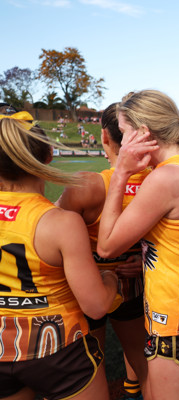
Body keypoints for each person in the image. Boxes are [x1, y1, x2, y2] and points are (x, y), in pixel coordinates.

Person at [96, 89, 179, 400]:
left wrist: (121, 174)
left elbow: (106, 247)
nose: (121, 138)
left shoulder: (166, 178)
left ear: (143, 132)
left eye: (124, 130)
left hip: (176, 313)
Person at [0, 114, 118, 399]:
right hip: (58, 349)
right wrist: (110, 276)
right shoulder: (60, 223)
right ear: (49, 154)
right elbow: (97, 305)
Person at [56, 103, 149, 398]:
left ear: (104, 137)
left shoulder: (86, 186)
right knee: (143, 360)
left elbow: (48, 233)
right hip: (134, 281)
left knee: (87, 362)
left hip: (86, 283)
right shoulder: (157, 181)